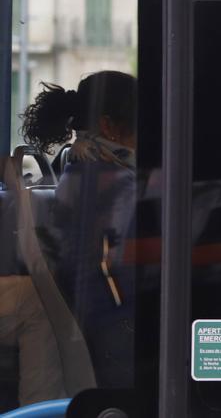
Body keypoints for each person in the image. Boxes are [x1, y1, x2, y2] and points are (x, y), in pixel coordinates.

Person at [18, 71, 138, 391]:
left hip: (99, 321)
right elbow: (116, 269)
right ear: (109, 126)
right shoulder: (112, 181)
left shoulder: (78, 166)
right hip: (119, 329)